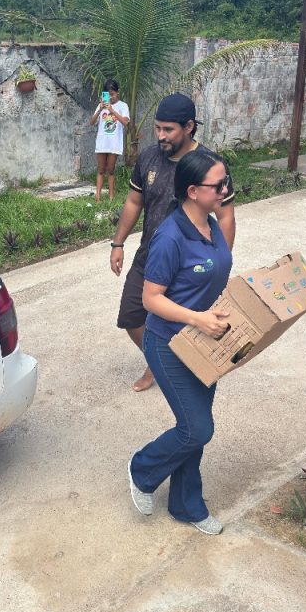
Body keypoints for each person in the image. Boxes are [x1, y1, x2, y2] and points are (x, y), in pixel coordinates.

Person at [127, 148, 233, 535]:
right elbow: (150, 299)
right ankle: (142, 470)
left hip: (206, 342)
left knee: (194, 426)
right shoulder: (169, 237)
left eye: (226, 181)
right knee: (196, 429)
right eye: (217, 184)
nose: (225, 189)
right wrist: (196, 318)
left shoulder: (211, 225)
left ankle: (187, 505)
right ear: (192, 190)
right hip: (170, 344)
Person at [109, 92, 236, 391]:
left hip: (191, 262)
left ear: (189, 126)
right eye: (158, 128)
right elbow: (133, 201)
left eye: (169, 130)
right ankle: (161, 362)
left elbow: (226, 216)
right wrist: (118, 243)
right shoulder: (149, 157)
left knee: (186, 320)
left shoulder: (207, 167)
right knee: (131, 315)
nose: (161, 136)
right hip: (151, 256)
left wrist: (220, 261)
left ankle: (179, 365)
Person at [89, 78, 129, 202]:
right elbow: (92, 122)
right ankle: (98, 197)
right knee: (101, 169)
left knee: (111, 170)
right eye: (107, 95)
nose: (110, 97)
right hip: (102, 142)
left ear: (118, 92)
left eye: (112, 94)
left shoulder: (123, 106)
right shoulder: (101, 106)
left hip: (114, 143)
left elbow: (125, 122)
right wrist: (100, 109)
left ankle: (111, 196)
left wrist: (112, 110)